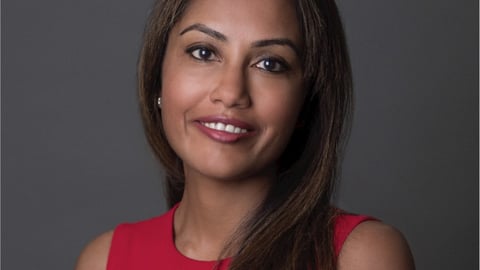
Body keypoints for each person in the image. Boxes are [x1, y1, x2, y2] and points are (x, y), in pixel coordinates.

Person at [76, 0, 415, 269]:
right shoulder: (104, 262)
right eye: (204, 52)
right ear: (157, 78)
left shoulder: (360, 258)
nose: (231, 92)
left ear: (306, 103)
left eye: (270, 64)